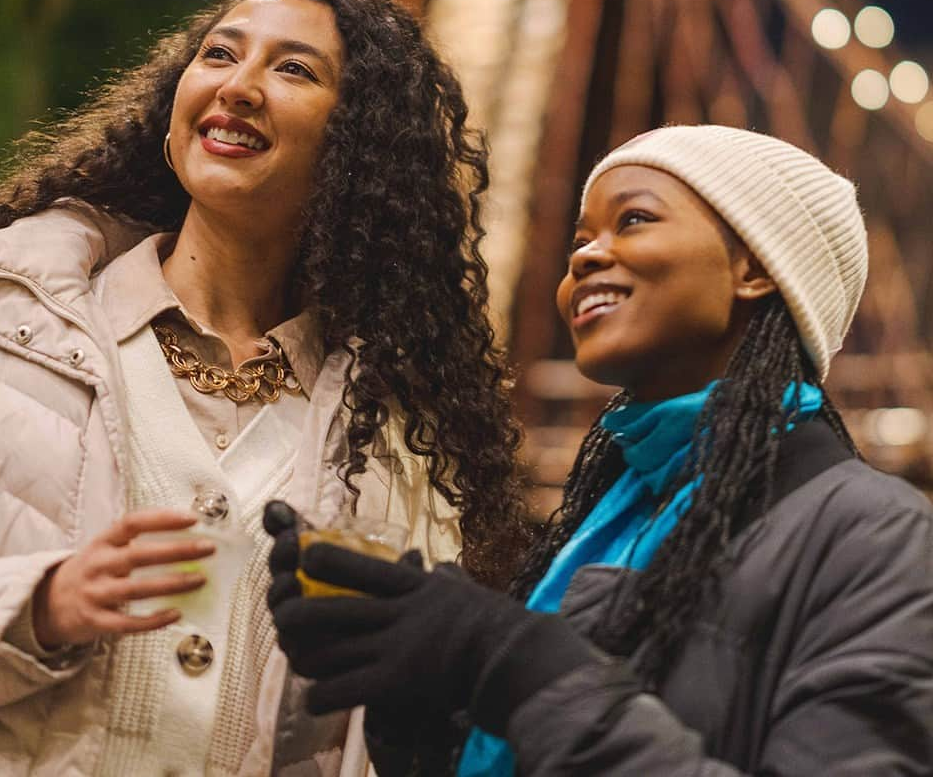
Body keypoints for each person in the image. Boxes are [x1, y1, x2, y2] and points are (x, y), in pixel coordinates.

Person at [0, 0, 526, 776]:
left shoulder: (400, 437)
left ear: (360, 150)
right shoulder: (1, 319)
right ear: (173, 120)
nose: (238, 85)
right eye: (219, 53)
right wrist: (36, 608)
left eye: (293, 69)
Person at [267, 124, 933, 775]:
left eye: (634, 221)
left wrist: (512, 660)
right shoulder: (614, 512)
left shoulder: (876, 535)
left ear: (757, 266)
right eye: (580, 241)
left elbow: (548, 692)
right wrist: (419, 709)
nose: (583, 257)